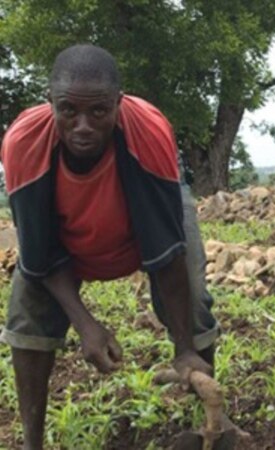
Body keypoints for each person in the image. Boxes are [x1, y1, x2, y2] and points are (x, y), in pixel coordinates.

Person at [0, 44, 221, 449]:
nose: (82, 125)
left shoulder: (148, 134)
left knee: (190, 287)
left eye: (98, 112)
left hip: (140, 227)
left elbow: (168, 250)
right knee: (26, 313)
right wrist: (86, 325)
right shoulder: (23, 144)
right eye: (68, 111)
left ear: (118, 105)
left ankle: (209, 418)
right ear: (50, 103)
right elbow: (39, 256)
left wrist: (184, 346)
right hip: (65, 238)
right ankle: (31, 443)